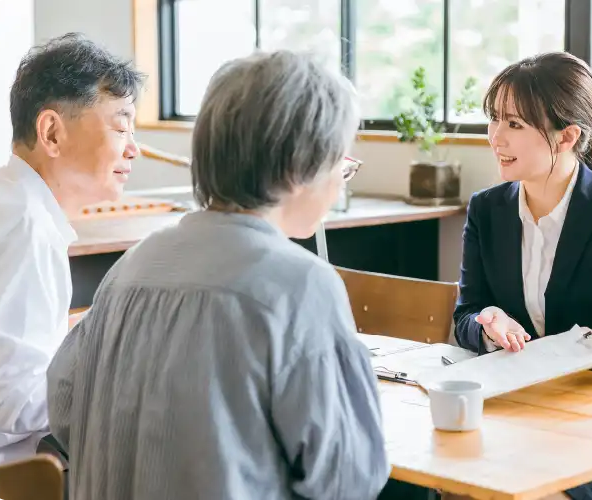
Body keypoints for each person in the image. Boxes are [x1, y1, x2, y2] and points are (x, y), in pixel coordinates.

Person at [46, 50, 390, 500]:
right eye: (340, 161)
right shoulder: (300, 285)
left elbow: (65, 409)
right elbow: (348, 476)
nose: (342, 180)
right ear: (299, 164)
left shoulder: (133, 265)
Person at [453, 52, 592, 499]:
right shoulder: (487, 210)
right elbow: (465, 316)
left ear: (566, 136)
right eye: (494, 119)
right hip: (525, 410)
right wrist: (489, 323)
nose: (495, 137)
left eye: (514, 124)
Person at [0, 32, 142, 466]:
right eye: (120, 125)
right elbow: (13, 404)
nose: (133, 148)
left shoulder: (6, 198)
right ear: (52, 131)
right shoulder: (27, 227)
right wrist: (113, 373)